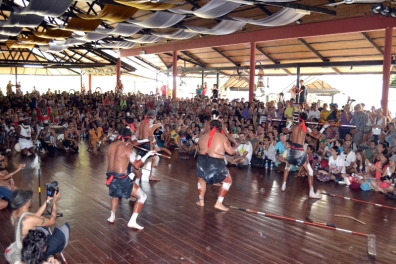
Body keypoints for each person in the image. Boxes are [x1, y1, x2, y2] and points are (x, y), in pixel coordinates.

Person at [106, 128, 154, 230]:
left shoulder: (111, 145)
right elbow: (137, 165)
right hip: (121, 179)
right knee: (142, 197)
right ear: (128, 139)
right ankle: (132, 221)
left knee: (114, 195)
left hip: (110, 177)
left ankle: (112, 216)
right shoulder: (126, 149)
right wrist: (148, 154)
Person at [9, 189, 70, 260]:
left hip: (24, 248)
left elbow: (36, 215)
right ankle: (45, 256)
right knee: (65, 228)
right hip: (34, 253)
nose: (30, 199)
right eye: (29, 198)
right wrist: (55, 203)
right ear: (25, 203)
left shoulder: (14, 214)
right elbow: (52, 221)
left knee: (44, 229)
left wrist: (47, 200)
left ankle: (47, 256)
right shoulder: (30, 219)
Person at [281, 112, 326, 198]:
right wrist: (324, 128)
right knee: (310, 171)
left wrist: (289, 124)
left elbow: (284, 131)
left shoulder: (294, 127)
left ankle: (283, 185)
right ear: (305, 119)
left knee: (287, 167)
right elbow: (316, 136)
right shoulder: (306, 129)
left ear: (298, 118)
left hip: (292, 150)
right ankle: (311, 193)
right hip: (300, 152)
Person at [196, 119, 236, 211]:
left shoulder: (202, 137)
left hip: (201, 160)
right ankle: (219, 203)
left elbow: (199, 149)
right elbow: (230, 151)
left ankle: (201, 201)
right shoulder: (222, 137)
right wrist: (235, 150)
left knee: (201, 180)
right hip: (216, 162)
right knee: (228, 181)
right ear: (220, 128)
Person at [137, 110, 163, 181]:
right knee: (156, 158)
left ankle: (139, 173)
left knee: (143, 159)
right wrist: (155, 146)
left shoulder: (142, 122)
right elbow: (151, 137)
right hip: (148, 144)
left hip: (141, 143)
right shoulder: (150, 125)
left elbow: (139, 134)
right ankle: (151, 176)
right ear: (154, 117)